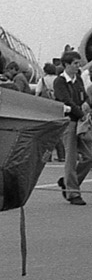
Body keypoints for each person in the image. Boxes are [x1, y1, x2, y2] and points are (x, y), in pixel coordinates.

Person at [52, 51, 92, 206]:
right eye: (75, 63)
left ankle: (68, 182)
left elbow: (82, 98)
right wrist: (81, 113)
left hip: (80, 122)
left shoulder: (79, 80)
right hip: (69, 122)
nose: (78, 66)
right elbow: (66, 100)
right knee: (71, 158)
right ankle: (73, 193)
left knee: (89, 157)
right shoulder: (59, 82)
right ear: (66, 64)